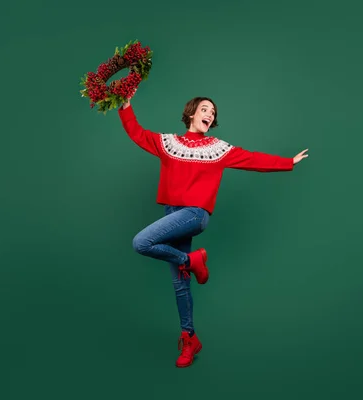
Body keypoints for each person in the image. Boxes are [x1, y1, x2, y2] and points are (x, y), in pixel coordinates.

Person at [117, 92, 308, 368]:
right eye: (205, 109)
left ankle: (190, 261)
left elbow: (252, 159)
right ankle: (189, 339)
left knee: (141, 242)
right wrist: (125, 105)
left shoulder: (217, 149)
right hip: (171, 213)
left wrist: (288, 162)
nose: (210, 114)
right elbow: (137, 133)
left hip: (195, 214)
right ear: (192, 112)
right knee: (180, 284)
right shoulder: (167, 143)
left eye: (213, 112)